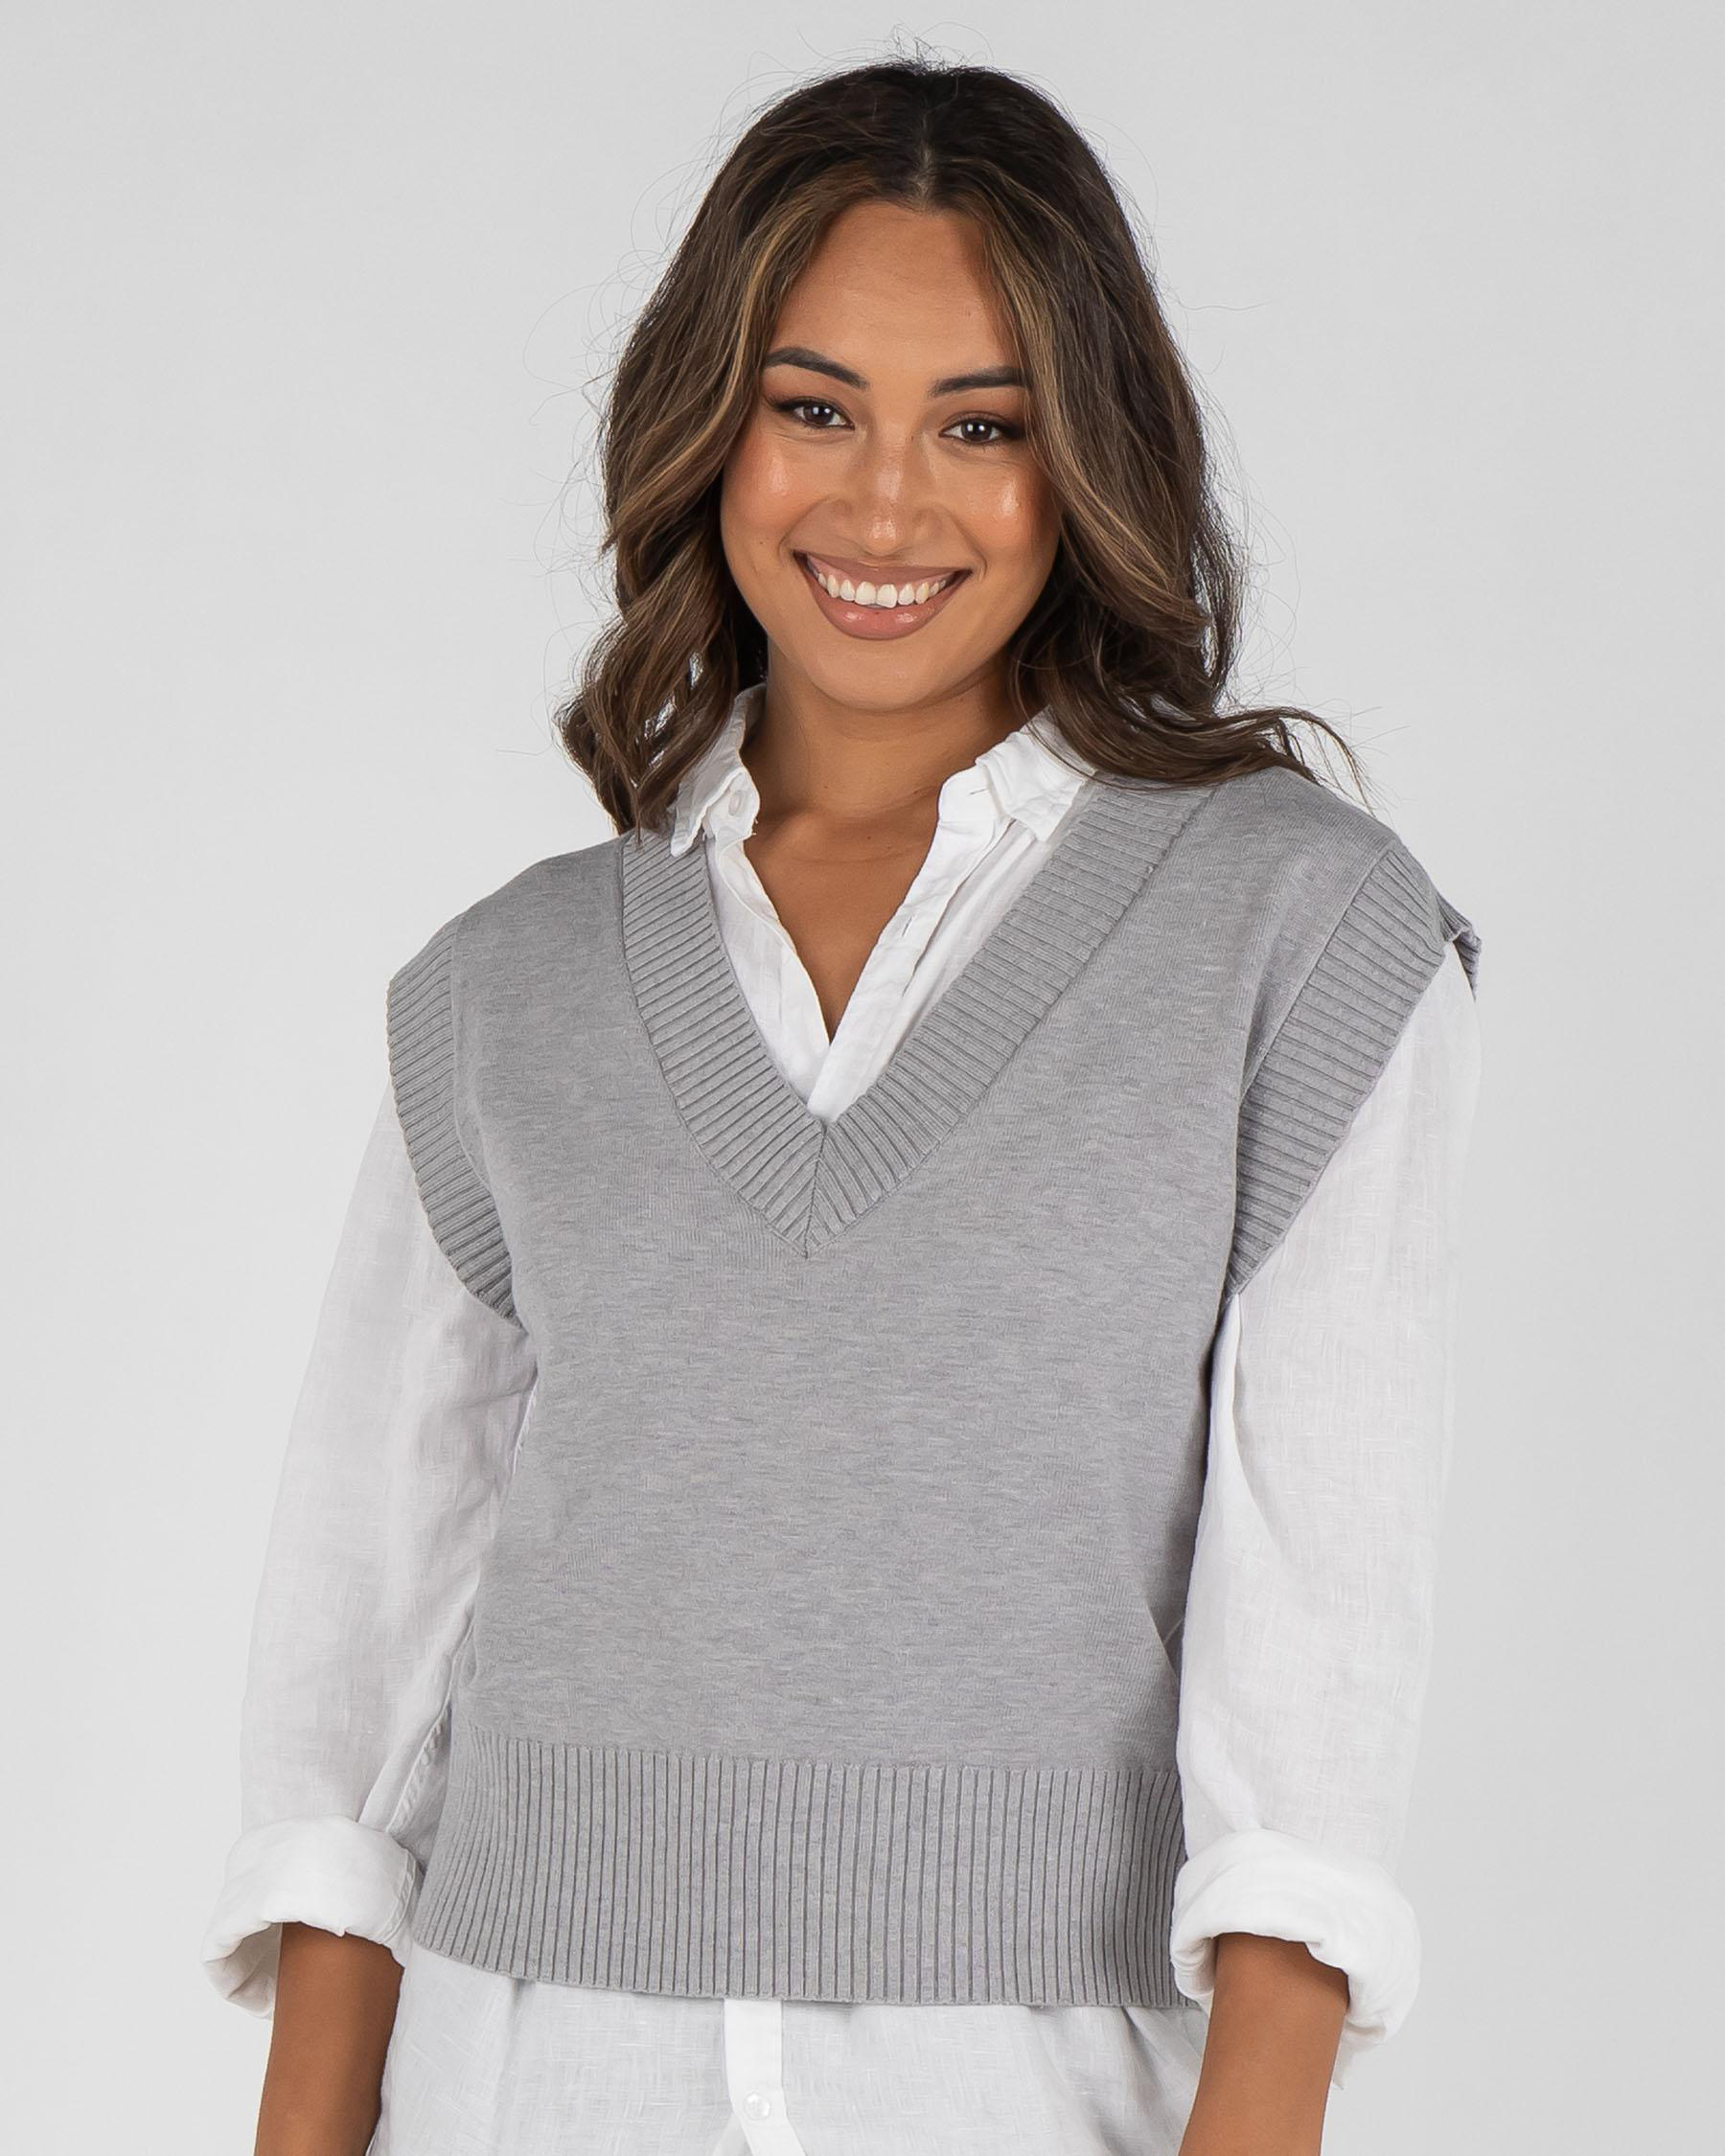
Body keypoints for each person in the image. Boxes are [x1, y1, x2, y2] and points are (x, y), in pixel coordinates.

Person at [200, 56, 1484, 2156]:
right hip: (535, 2074)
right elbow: (369, 1654)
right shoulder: (505, 989)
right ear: (712, 429)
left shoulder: (1298, 932)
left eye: (982, 426)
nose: (886, 508)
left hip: (1028, 2083)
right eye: (815, 409)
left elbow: (1321, 1633)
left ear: (1087, 460)